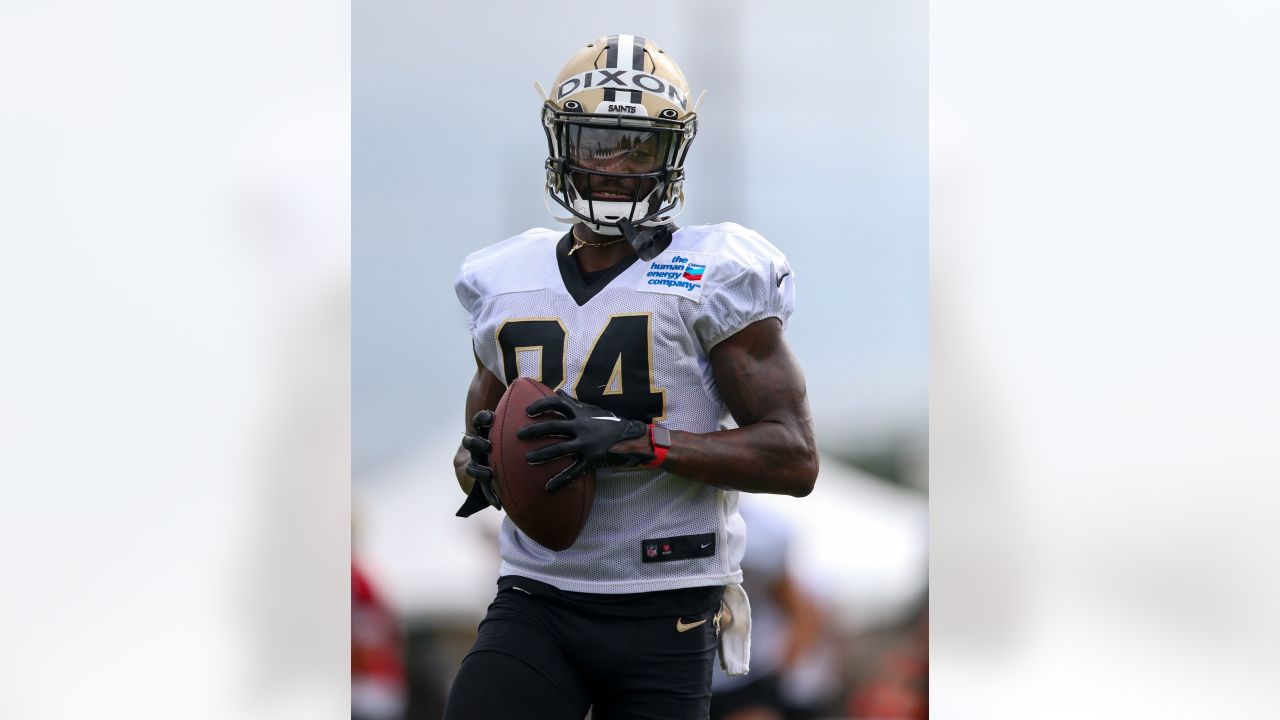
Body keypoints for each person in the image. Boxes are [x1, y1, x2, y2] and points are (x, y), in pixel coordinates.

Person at [445, 34, 818, 720]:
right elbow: (477, 454)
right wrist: (480, 465)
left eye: (639, 146)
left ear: (670, 155)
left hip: (666, 603)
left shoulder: (716, 274)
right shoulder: (503, 281)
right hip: (539, 592)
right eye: (597, 142)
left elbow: (794, 458)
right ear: (563, 145)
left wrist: (637, 441)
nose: (616, 165)